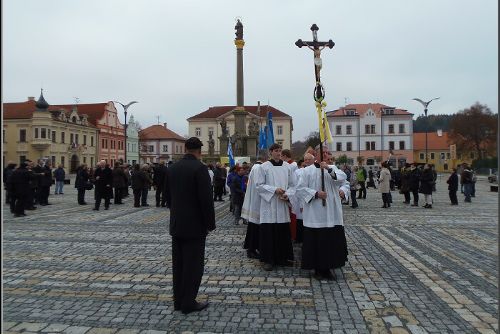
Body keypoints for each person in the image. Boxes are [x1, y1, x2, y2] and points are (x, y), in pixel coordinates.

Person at [164, 137, 215, 314]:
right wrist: (210, 224)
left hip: (177, 224)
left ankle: (178, 301)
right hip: (195, 226)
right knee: (193, 266)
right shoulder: (200, 169)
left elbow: (167, 197)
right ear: (200, 151)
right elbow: (206, 200)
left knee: (179, 265)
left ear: (185, 148)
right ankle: (188, 303)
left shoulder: (172, 168)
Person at [296, 150, 350, 280]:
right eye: (323, 152)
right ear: (316, 154)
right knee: (317, 242)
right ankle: (317, 269)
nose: (326, 155)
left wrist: (329, 169)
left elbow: (342, 179)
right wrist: (315, 193)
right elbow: (300, 189)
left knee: (330, 242)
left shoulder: (332, 168)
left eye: (327, 153)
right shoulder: (306, 171)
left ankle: (328, 268)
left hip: (331, 213)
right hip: (315, 213)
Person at [254, 143, 295, 271]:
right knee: (269, 233)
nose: (278, 153)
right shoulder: (264, 167)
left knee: (282, 232)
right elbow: (258, 185)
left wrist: (288, 194)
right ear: (270, 152)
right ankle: (268, 259)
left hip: (282, 204)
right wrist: (274, 190)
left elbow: (293, 185)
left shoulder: (287, 167)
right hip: (269, 204)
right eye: (276, 151)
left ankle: (282, 258)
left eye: (280, 151)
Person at [241, 153, 267, 259]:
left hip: (255, 201)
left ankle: (253, 248)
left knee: (254, 227)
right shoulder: (259, 168)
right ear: (265, 158)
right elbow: (259, 186)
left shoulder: (255, 167)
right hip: (257, 202)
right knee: (254, 228)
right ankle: (251, 249)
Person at [290, 152, 315, 242]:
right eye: (305, 160)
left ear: (313, 160)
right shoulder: (298, 172)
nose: (307, 161)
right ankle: (300, 238)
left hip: (314, 199)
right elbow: (297, 187)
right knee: (301, 219)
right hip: (301, 199)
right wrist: (301, 204)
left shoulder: (316, 170)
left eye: (309, 159)